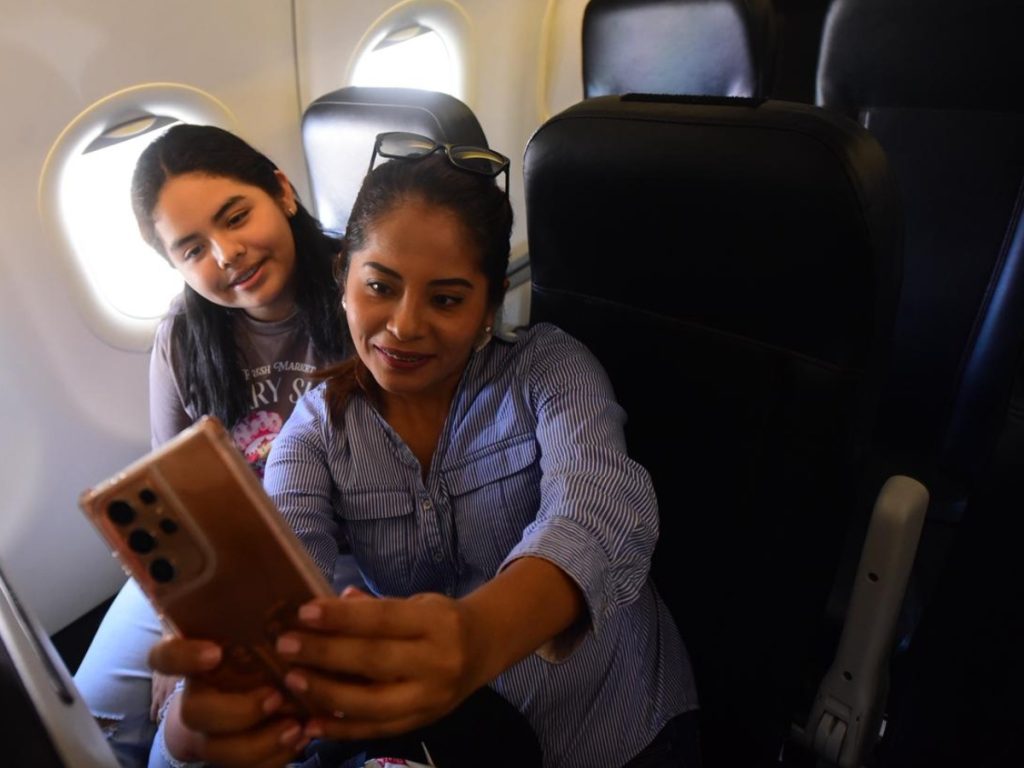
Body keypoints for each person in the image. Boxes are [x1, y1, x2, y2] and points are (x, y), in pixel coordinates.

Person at [148, 134, 701, 768]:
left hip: (610, 718)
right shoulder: (314, 432)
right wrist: (211, 714)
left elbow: (601, 511)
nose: (405, 326)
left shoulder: (548, 369)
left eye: (445, 299)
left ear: (488, 305)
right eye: (379, 287)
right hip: (442, 739)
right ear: (343, 278)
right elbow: (281, 570)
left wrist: (476, 637)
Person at [73, 123, 350, 768]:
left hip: (339, 552)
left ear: (281, 192)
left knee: (211, 736)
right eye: (192, 248)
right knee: (90, 726)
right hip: (213, 558)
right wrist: (183, 621)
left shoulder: (359, 291)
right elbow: (168, 489)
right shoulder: (182, 335)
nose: (225, 255)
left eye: (236, 217)